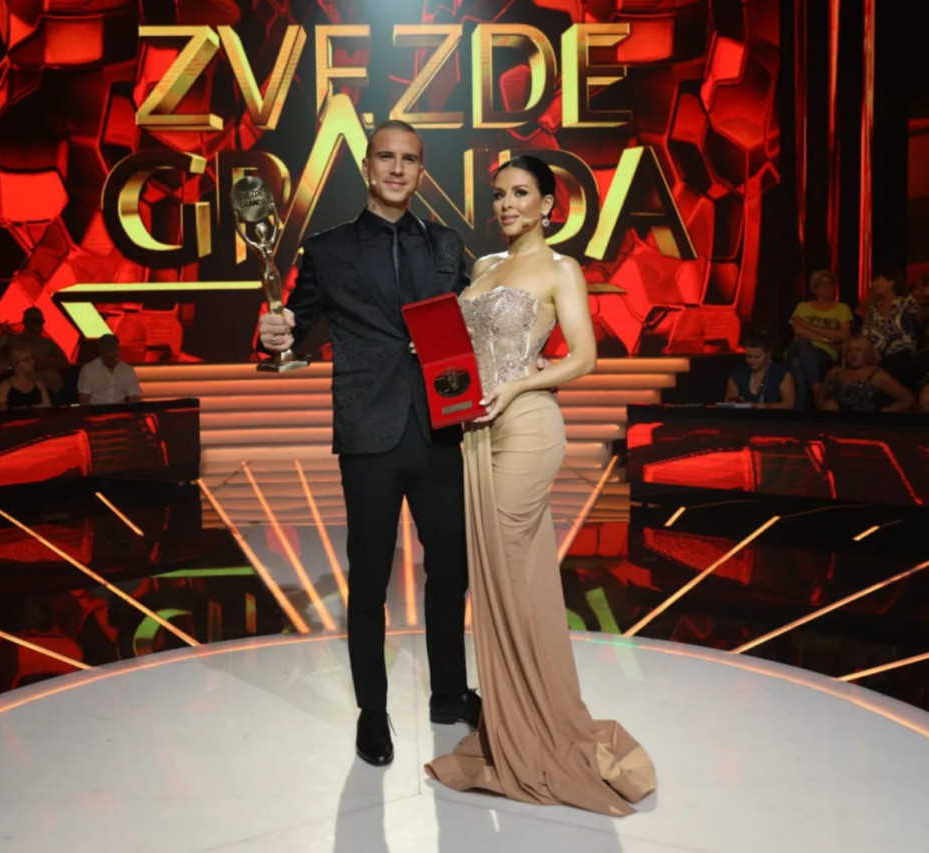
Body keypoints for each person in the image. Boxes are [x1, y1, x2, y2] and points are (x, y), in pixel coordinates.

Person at [420, 155, 656, 815]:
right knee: (501, 577)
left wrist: (522, 381)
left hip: (526, 424)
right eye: (499, 194)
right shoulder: (482, 267)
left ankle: (542, 727)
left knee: (508, 567)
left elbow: (584, 357)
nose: (507, 204)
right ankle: (514, 722)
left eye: (521, 193)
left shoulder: (561, 269)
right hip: (473, 432)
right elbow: (464, 352)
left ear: (548, 205)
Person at [257, 119, 479, 767]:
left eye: (409, 159)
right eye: (386, 156)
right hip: (369, 432)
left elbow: (474, 318)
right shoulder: (327, 249)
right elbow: (294, 323)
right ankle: (372, 713)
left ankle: (447, 692)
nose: (397, 168)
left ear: (421, 170)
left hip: (440, 428)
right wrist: (274, 334)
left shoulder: (446, 244)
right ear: (367, 166)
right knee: (370, 580)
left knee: (451, 570)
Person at [786, 270, 852, 409]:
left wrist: (809, 326)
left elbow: (844, 335)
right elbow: (799, 331)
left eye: (831, 284)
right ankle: (817, 388)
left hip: (825, 353)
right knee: (802, 343)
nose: (830, 288)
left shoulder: (842, 309)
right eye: (825, 284)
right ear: (815, 288)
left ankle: (798, 412)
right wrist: (827, 339)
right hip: (801, 348)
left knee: (798, 364)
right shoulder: (803, 307)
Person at [816, 332, 915, 413]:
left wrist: (884, 412)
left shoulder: (878, 375)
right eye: (849, 351)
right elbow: (819, 400)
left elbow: (908, 399)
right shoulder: (834, 372)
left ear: (867, 352)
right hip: (834, 425)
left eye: (858, 350)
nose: (853, 355)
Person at [724, 328, 794, 408]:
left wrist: (767, 406)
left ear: (769, 354)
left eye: (757, 357)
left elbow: (789, 405)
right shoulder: (737, 375)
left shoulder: (781, 373)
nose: (752, 360)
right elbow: (728, 405)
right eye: (748, 356)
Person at [77, 334, 142, 405]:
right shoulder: (88, 370)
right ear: (101, 353)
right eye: (108, 358)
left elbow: (134, 398)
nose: (112, 361)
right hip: (96, 411)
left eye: (114, 357)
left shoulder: (128, 370)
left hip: (120, 411)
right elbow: (84, 400)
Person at [0, 343, 51, 409]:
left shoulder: (39, 385)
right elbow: (0, 411)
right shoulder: (5, 386)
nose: (32, 362)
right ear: (16, 364)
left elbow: (48, 409)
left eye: (32, 358)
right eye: (26, 360)